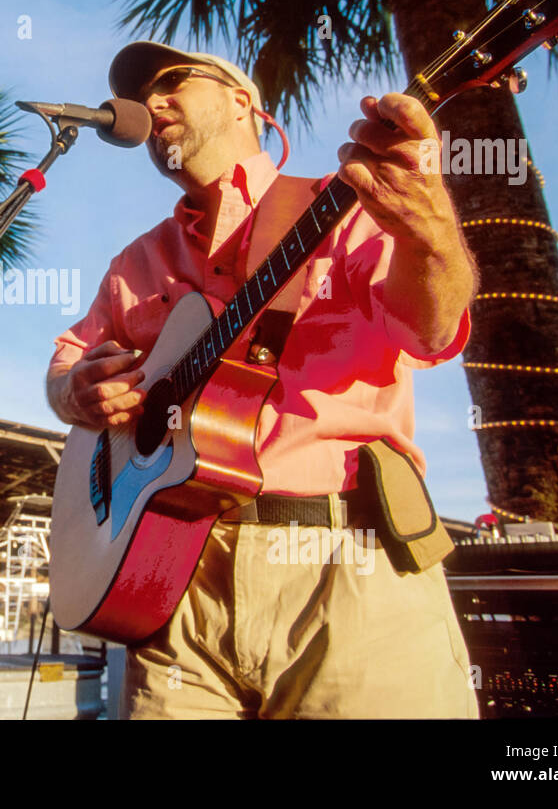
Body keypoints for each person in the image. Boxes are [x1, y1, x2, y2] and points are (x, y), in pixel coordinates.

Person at [46, 41, 480, 719]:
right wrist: (73, 392)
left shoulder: (346, 207)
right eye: (141, 97)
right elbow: (71, 355)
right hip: (170, 590)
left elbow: (429, 330)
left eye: (170, 83)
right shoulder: (137, 261)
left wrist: (431, 237)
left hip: (345, 569)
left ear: (243, 99)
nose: (150, 105)